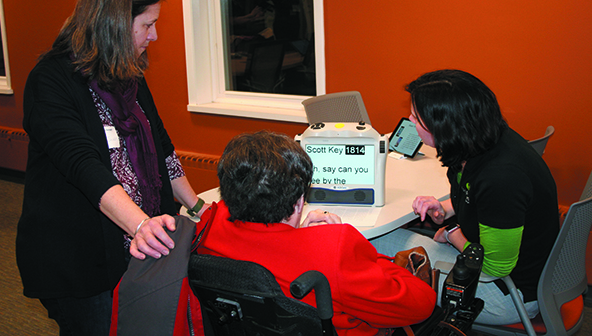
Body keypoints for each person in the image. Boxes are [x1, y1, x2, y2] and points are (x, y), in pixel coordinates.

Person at [16, 0, 209, 336]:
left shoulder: (129, 72)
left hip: (136, 246)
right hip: (80, 257)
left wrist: (199, 208)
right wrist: (140, 224)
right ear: (115, 25)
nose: (154, 35)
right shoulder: (51, 80)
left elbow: (162, 149)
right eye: (146, 25)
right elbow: (84, 165)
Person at [195, 131, 437, 336]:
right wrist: (362, 253)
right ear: (300, 202)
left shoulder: (206, 227)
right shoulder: (334, 249)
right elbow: (421, 304)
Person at [371, 69, 559, 326]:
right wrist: (447, 208)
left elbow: (494, 268)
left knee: (372, 252)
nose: (410, 121)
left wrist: (452, 234)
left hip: (505, 293)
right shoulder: (486, 142)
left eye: (416, 118)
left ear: (445, 126)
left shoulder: (501, 178)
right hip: (508, 275)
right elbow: (478, 197)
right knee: (378, 243)